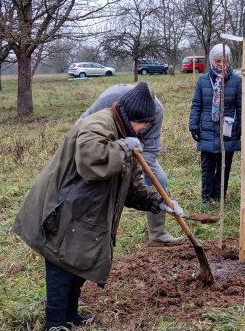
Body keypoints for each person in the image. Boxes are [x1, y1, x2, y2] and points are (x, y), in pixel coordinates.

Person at [12, 82, 186, 331]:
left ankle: (70, 316)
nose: (146, 130)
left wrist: (158, 202)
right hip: (62, 208)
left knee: (78, 265)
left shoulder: (124, 132)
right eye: (144, 124)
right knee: (61, 266)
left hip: (83, 210)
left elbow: (132, 187)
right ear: (133, 118)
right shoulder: (99, 125)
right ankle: (55, 327)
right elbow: (91, 162)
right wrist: (122, 148)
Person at [79, 84, 186, 246]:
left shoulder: (157, 112)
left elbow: (150, 149)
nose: (145, 127)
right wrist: (116, 167)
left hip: (133, 149)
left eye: (147, 123)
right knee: (99, 187)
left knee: (160, 179)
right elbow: (84, 129)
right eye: (142, 122)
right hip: (98, 144)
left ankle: (157, 234)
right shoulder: (111, 98)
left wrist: (135, 175)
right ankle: (89, 232)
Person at [189, 44, 243, 206]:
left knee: (223, 166)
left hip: (228, 129)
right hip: (206, 127)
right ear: (212, 61)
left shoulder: (237, 81)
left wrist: (240, 127)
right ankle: (206, 198)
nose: (221, 64)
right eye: (218, 60)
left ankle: (219, 197)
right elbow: (196, 104)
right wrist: (193, 125)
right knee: (207, 167)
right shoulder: (203, 80)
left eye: (224, 61)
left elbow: (240, 106)